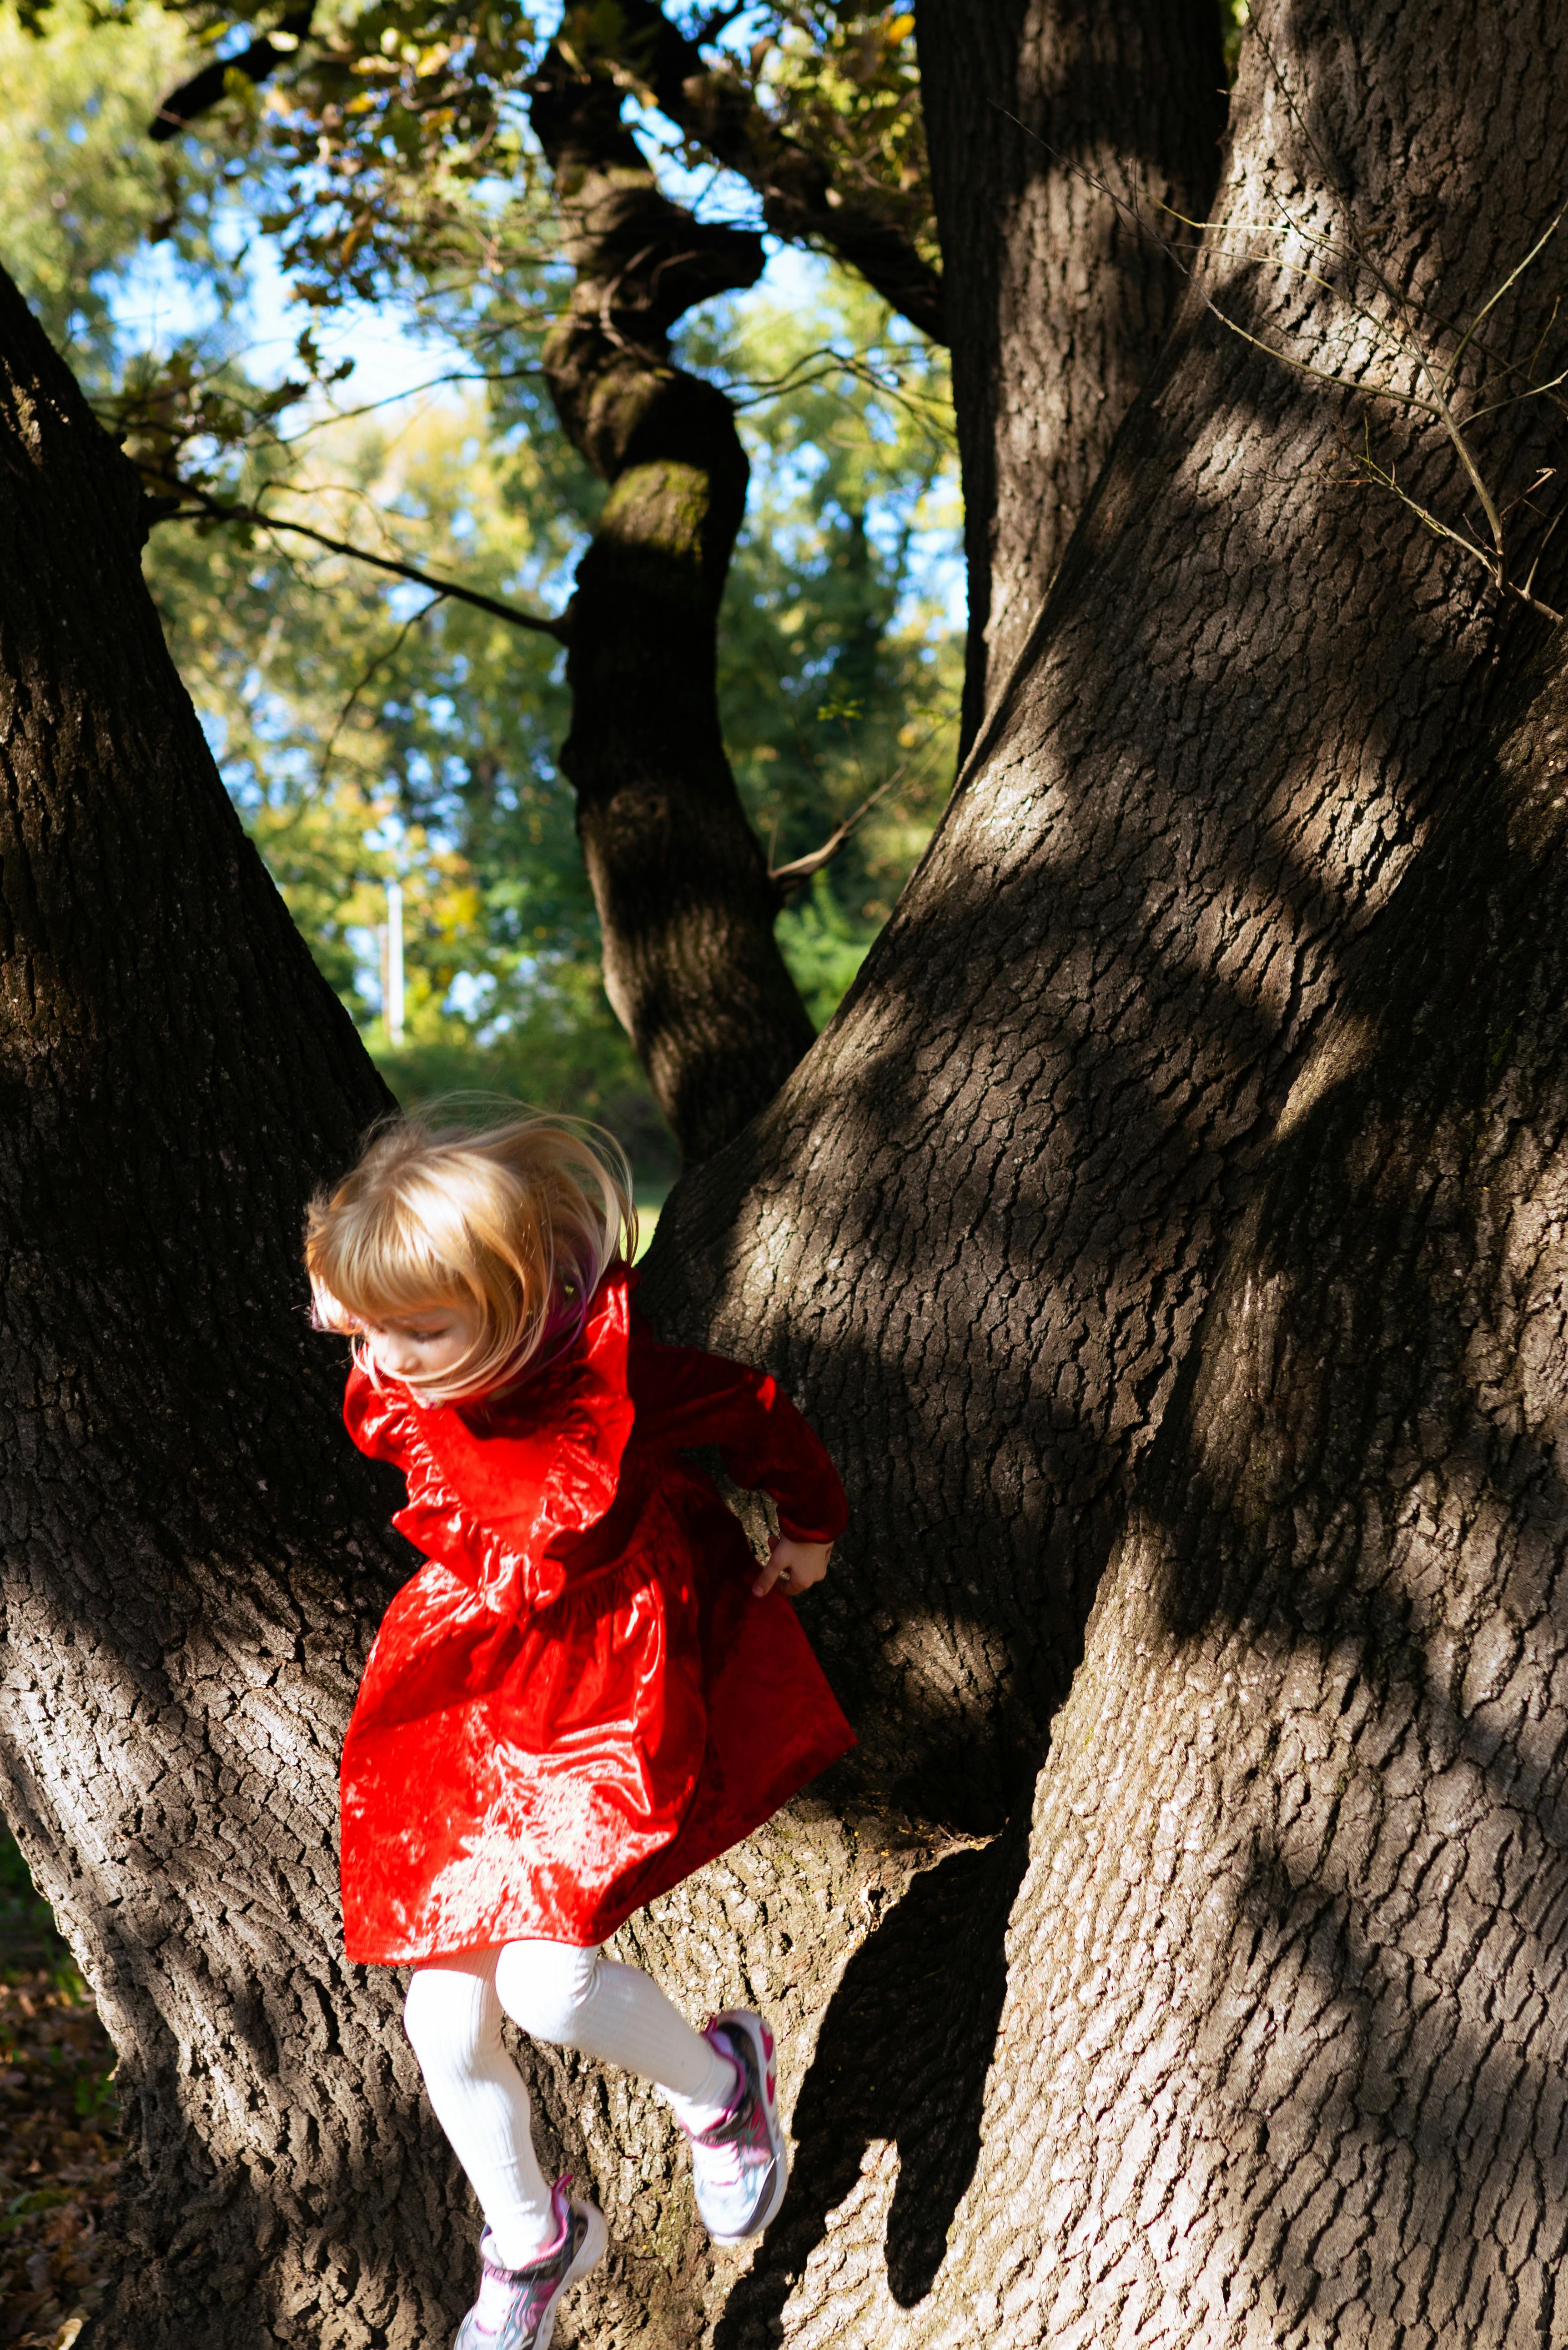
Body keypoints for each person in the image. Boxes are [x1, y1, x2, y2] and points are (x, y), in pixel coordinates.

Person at [305, 1107, 852, 2350]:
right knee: (442, 2023)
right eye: (369, 1328)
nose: (384, 1360)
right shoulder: (402, 1359)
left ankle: (722, 2085)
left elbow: (753, 1408)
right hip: (467, 1692)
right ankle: (536, 2236)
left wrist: (806, 1524)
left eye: (419, 1330)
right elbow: (374, 1305)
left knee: (549, 1987)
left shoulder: (607, 1380)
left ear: (511, 1297)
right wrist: (381, 1311)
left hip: (595, 1694)